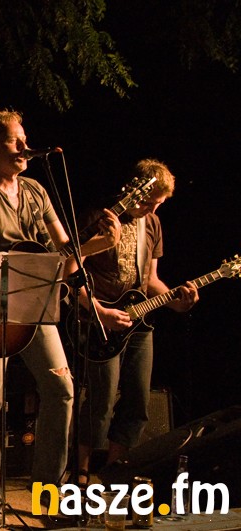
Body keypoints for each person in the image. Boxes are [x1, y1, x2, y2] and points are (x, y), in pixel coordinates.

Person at [0, 109, 119, 523]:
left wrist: (96, 246)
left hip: (35, 306)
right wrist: (1, 266)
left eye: (25, 139)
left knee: (61, 389)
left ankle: (47, 494)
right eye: (14, 141)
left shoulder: (37, 191)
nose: (25, 147)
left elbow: (63, 260)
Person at [74, 159, 198, 486]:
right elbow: (71, 272)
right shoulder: (99, 218)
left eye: (159, 204)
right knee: (100, 400)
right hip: (101, 319)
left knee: (138, 401)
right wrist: (99, 311)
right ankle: (81, 472)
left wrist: (176, 300)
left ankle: (114, 471)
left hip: (139, 321)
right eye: (149, 201)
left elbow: (151, 280)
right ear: (134, 189)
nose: (153, 209)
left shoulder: (152, 224)